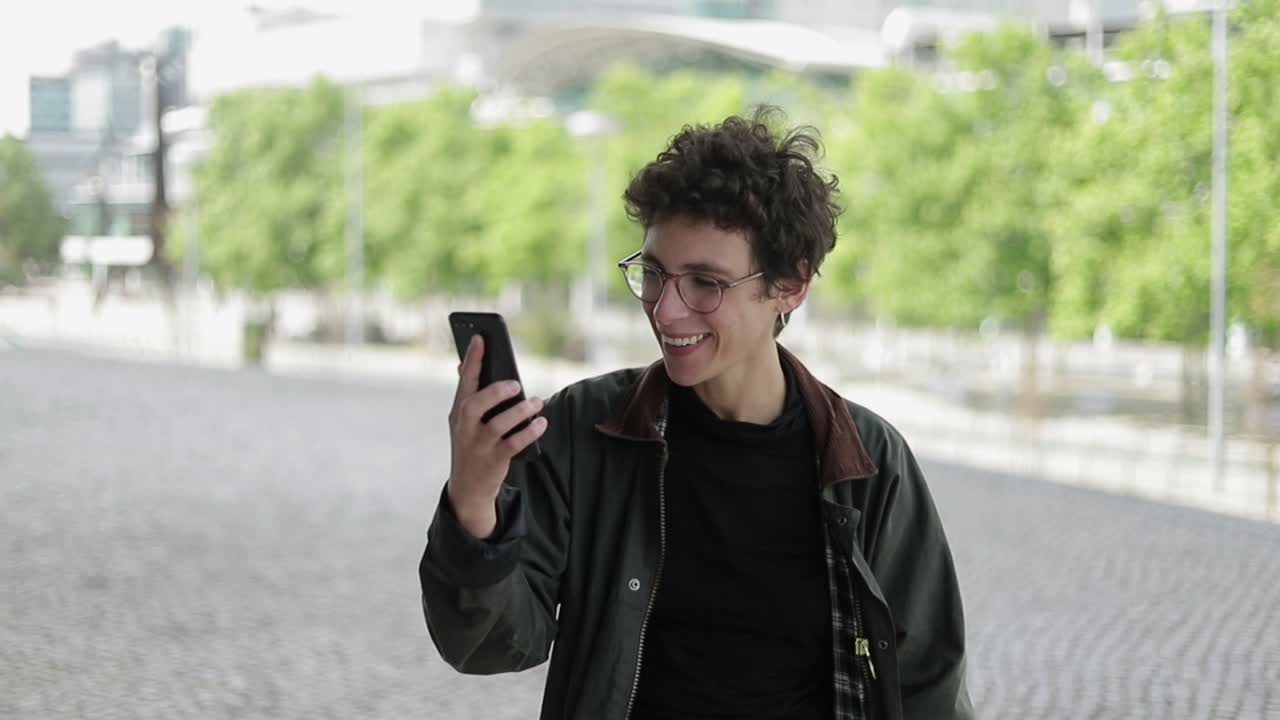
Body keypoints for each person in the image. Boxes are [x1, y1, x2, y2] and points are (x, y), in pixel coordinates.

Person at [419, 107, 974, 720]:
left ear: (791, 286)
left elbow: (929, 683)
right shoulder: (583, 428)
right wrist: (473, 505)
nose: (667, 311)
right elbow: (492, 645)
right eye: (653, 274)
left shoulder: (868, 460)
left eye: (705, 283)